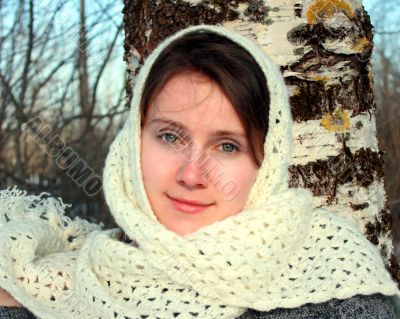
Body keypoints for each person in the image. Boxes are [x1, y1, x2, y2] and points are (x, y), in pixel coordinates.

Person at [0, 25, 399, 319]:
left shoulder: (340, 297)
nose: (192, 175)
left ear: (266, 164)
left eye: (227, 146)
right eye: (171, 136)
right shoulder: (47, 287)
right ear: (133, 143)